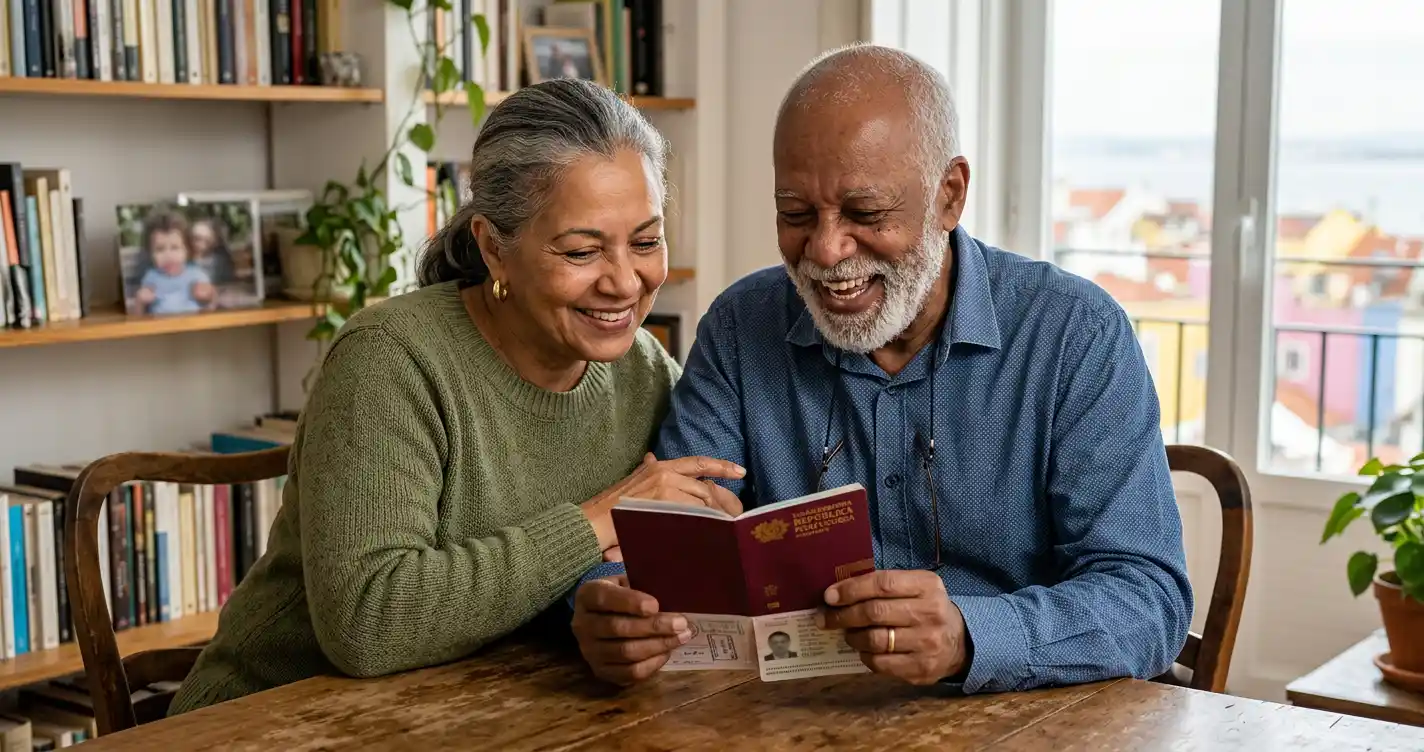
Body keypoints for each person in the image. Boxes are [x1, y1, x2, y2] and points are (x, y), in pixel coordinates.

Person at [569, 44, 1193, 694]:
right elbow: (657, 545)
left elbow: (1149, 602)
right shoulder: (738, 327)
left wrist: (968, 635)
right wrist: (615, 607)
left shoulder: (1074, 334)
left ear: (949, 197)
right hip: (794, 722)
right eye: (795, 214)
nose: (827, 250)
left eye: (866, 214)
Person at [168, 78, 743, 715]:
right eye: (581, 250)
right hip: (270, 718)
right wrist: (595, 521)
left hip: (468, 713)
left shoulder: (643, 371)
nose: (625, 281)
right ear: (494, 248)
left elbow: (587, 585)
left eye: (646, 241)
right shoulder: (389, 359)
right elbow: (368, 623)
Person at [132, 211, 215, 315]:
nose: (168, 256)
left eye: (175, 248)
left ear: (187, 250)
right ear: (151, 254)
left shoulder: (197, 275)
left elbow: (211, 311)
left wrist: (210, 298)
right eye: (160, 249)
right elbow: (138, 320)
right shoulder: (151, 277)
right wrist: (140, 302)